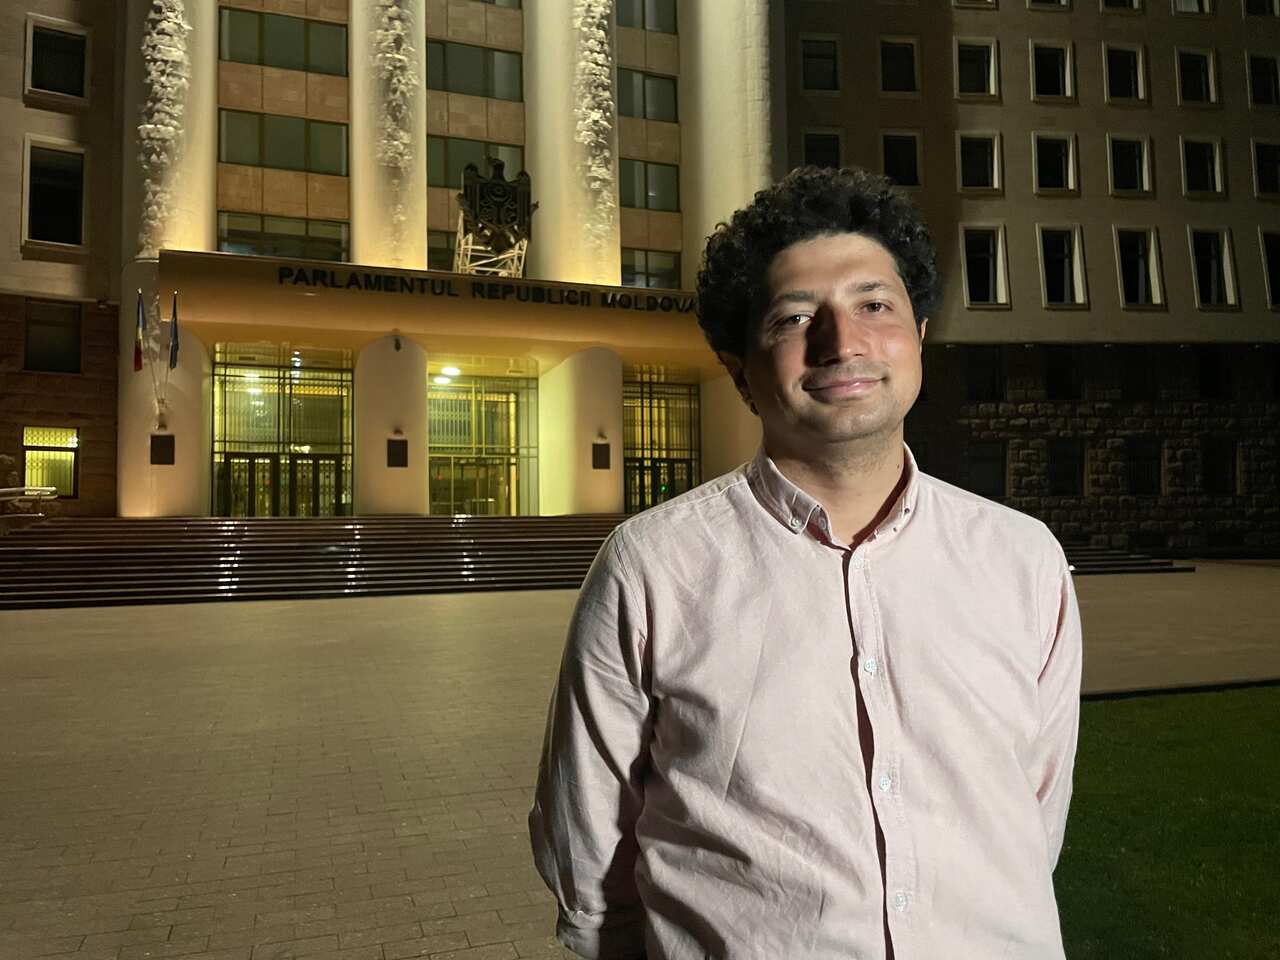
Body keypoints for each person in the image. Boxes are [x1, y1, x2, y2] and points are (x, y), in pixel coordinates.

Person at [529, 166, 1082, 960]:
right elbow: (590, 856)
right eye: (795, 318)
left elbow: (1035, 817)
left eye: (875, 305)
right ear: (739, 368)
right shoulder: (652, 568)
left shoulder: (1023, 559)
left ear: (920, 334)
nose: (842, 342)